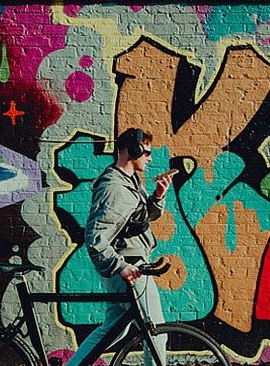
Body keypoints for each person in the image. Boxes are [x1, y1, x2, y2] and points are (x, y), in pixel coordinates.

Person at [66, 127, 174, 366]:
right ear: (132, 150)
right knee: (155, 333)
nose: (150, 158)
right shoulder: (114, 188)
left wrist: (158, 196)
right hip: (129, 268)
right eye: (147, 152)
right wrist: (121, 267)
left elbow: (141, 217)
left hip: (127, 266)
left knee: (113, 330)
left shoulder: (129, 181)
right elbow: (95, 236)